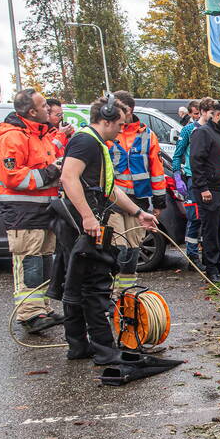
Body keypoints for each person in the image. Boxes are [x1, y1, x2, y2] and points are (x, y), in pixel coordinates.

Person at [55, 95, 159, 360]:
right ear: (106, 119)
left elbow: (109, 190)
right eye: (120, 124)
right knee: (94, 286)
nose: (122, 130)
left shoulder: (96, 144)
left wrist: (138, 213)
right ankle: (104, 351)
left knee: (78, 286)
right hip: (81, 225)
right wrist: (88, 217)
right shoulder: (86, 142)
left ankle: (79, 346)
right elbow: (68, 177)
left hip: (83, 223)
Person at [0, 88, 64, 333]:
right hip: (23, 212)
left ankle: (41, 308)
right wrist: (52, 171)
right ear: (32, 111)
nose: (48, 109)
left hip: (44, 210)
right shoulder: (12, 138)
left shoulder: (39, 135)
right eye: (43, 106)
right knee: (29, 262)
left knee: (43, 261)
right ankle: (29, 314)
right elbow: (13, 177)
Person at [108, 91, 166, 290]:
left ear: (129, 110)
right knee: (117, 247)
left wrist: (159, 203)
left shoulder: (147, 135)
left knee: (133, 247)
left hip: (137, 199)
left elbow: (157, 171)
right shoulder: (109, 133)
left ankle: (127, 291)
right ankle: (111, 291)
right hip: (112, 201)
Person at [191, 101, 220, 281]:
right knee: (210, 230)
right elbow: (196, 161)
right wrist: (203, 188)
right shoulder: (203, 133)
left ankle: (219, 264)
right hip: (209, 190)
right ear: (217, 115)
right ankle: (211, 268)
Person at [172, 97, 210, 266]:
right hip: (193, 179)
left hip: (210, 181)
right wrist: (177, 175)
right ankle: (192, 257)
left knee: (208, 219)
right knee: (194, 218)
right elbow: (177, 154)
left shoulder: (214, 130)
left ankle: (208, 256)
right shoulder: (188, 130)